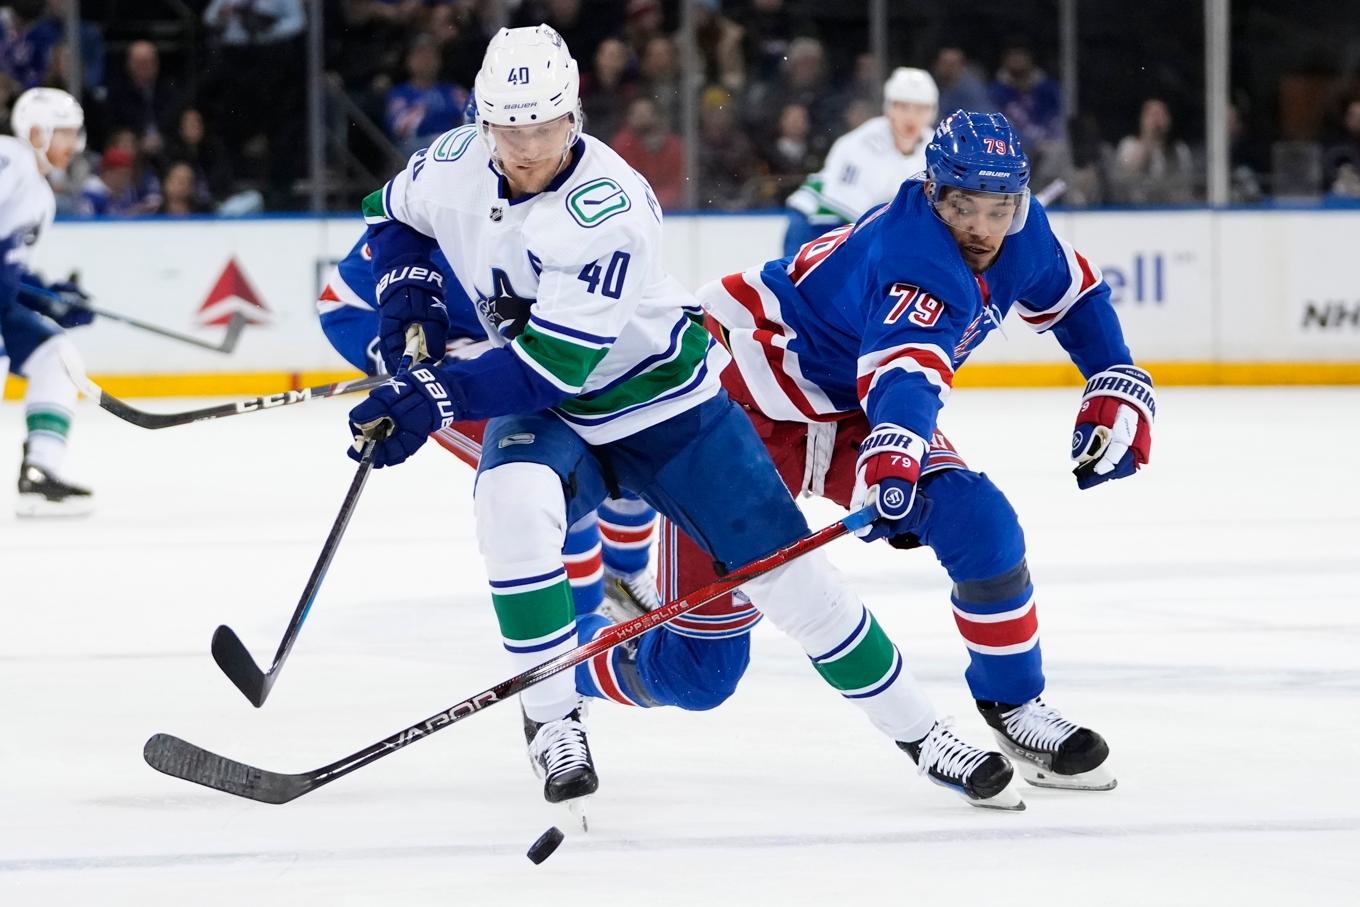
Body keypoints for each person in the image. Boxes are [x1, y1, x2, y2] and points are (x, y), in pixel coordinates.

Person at [346, 26, 1019, 821]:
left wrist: (433, 393)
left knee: (789, 576)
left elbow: (552, 365)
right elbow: (394, 220)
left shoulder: (612, 207)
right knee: (511, 501)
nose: (527, 148)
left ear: (575, 116)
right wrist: (410, 297)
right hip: (550, 414)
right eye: (509, 130)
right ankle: (554, 718)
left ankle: (925, 733)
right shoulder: (455, 162)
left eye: (544, 128)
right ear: (481, 122)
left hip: (668, 407)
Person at [667, 109, 1155, 793]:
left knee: (981, 523)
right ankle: (571, 677)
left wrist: (1114, 373)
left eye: (1000, 208)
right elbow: (905, 377)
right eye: (963, 205)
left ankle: (1013, 702)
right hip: (739, 405)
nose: (983, 227)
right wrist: (893, 457)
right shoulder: (911, 254)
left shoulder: (1023, 231)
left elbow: (1074, 294)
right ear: (932, 193)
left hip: (851, 412)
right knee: (696, 671)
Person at [317, 228, 663, 619]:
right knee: (557, 487)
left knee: (633, 451)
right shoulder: (432, 206)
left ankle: (624, 578)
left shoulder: (561, 204)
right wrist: (403, 359)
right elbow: (338, 303)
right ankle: (583, 623)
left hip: (542, 356)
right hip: (468, 379)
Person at [0, 87, 95, 516]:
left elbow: (13, 272)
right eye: (64, 134)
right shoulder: (9, 157)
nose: (73, 145)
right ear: (36, 132)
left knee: (56, 357)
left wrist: (52, 296)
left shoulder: (41, 196)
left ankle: (40, 473)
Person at [783, 67, 938, 255]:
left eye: (921, 108)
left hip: (870, 229)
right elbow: (848, 214)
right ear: (889, 108)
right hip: (815, 222)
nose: (911, 117)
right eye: (903, 106)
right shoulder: (858, 145)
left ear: (932, 112)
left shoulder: (937, 148)